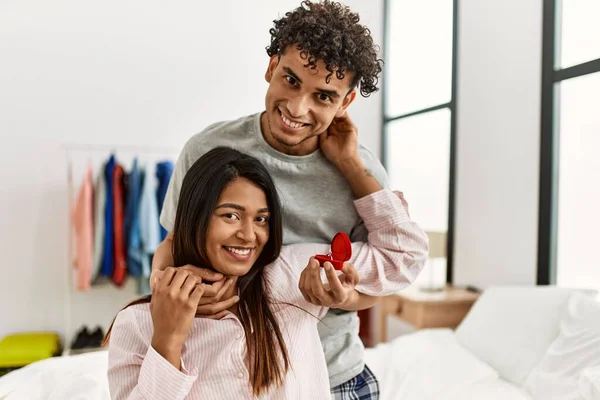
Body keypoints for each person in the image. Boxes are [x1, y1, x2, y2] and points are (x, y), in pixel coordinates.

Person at [152, 1, 427, 397]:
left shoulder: (360, 172)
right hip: (233, 376)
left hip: (334, 377)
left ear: (346, 103)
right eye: (291, 80)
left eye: (324, 97)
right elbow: (172, 245)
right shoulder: (208, 149)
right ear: (271, 66)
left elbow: (387, 271)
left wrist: (344, 295)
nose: (298, 109)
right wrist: (168, 285)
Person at [107, 147, 428, 399]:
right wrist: (168, 340)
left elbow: (405, 255)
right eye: (231, 215)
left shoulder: (291, 273)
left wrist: (351, 165)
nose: (249, 235)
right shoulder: (136, 324)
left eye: (261, 219)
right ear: (196, 216)